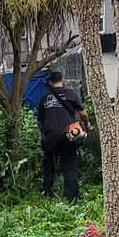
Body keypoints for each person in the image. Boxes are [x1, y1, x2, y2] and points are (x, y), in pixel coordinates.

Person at [36, 71, 88, 200]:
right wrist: (85, 126)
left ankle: (48, 194)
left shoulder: (44, 97)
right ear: (62, 80)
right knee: (69, 167)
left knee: (48, 166)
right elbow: (83, 114)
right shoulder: (71, 94)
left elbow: (40, 122)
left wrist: (45, 134)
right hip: (68, 136)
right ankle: (72, 198)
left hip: (50, 137)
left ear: (50, 82)